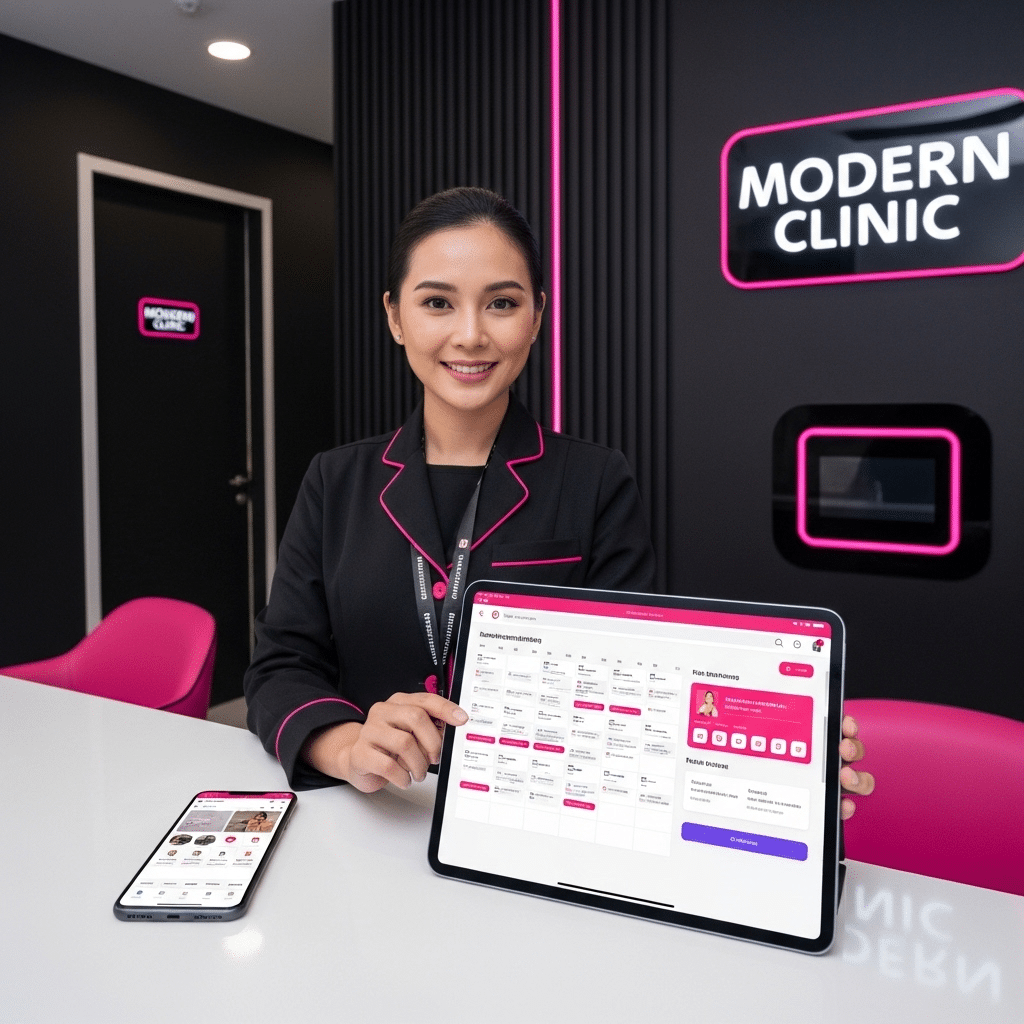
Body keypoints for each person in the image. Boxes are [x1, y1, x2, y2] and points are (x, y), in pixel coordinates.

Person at [244, 187, 873, 820]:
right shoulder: (336, 480)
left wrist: (770, 757)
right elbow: (280, 665)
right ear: (395, 317)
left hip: (538, 818)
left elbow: (640, 677)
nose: (471, 334)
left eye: (502, 303)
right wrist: (346, 745)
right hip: (368, 818)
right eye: (438, 302)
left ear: (537, 315)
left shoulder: (595, 480)